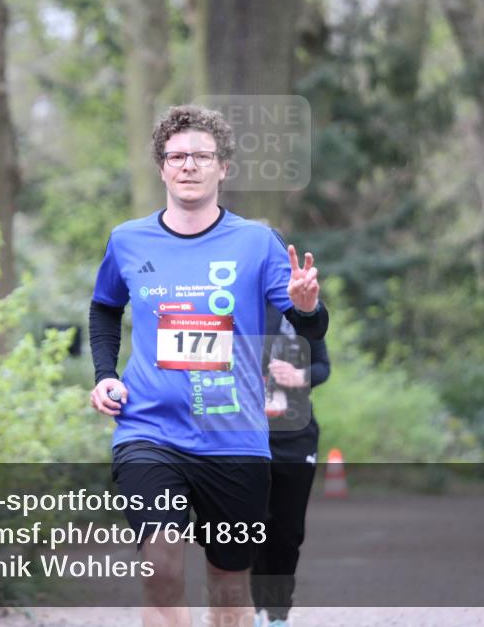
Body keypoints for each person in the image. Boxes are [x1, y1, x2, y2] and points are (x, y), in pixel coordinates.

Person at [88, 105, 329, 627]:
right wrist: (105, 373)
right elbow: (105, 306)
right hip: (149, 428)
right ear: (162, 168)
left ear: (223, 168)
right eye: (177, 156)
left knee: (227, 587)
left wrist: (306, 305)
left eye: (202, 156)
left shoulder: (255, 242)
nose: (189, 165)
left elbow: (309, 331)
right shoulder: (127, 239)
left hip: (234, 438)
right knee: (161, 569)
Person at [251, 302, 331, 627]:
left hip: (295, 437)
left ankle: (279, 614)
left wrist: (301, 376)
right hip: (246, 435)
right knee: (253, 526)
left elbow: (323, 366)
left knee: (287, 532)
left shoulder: (300, 313)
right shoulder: (234, 304)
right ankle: (254, 609)